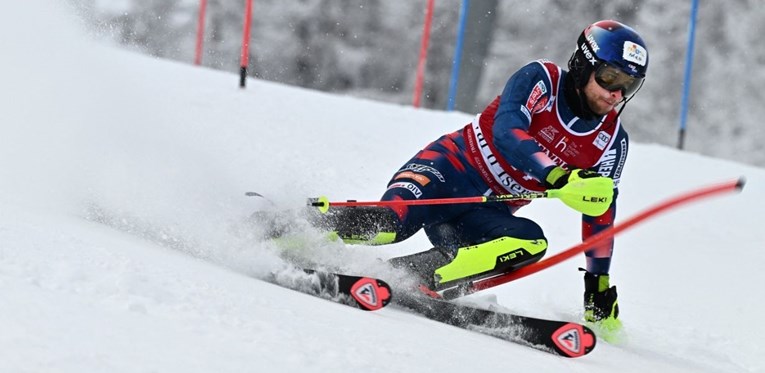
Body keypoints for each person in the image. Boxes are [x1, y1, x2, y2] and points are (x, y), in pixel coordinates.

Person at [271, 20, 647, 329]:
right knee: (390, 225)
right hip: (447, 171)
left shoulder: (611, 141)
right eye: (610, 77)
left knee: (531, 243)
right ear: (583, 64)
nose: (616, 94)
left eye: (627, 85)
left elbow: (600, 210)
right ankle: (287, 228)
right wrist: (558, 178)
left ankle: (407, 278)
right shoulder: (541, 80)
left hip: (483, 212)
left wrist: (597, 283)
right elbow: (508, 130)